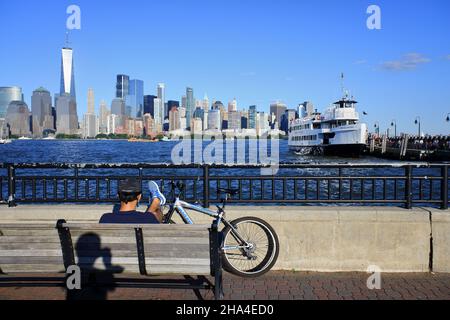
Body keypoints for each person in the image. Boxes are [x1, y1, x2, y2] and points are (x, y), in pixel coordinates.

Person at [99, 178, 166, 224]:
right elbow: (158, 218)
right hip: (140, 244)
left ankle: (156, 201)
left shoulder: (105, 219)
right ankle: (156, 201)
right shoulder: (149, 218)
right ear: (139, 197)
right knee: (154, 214)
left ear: (118, 196)